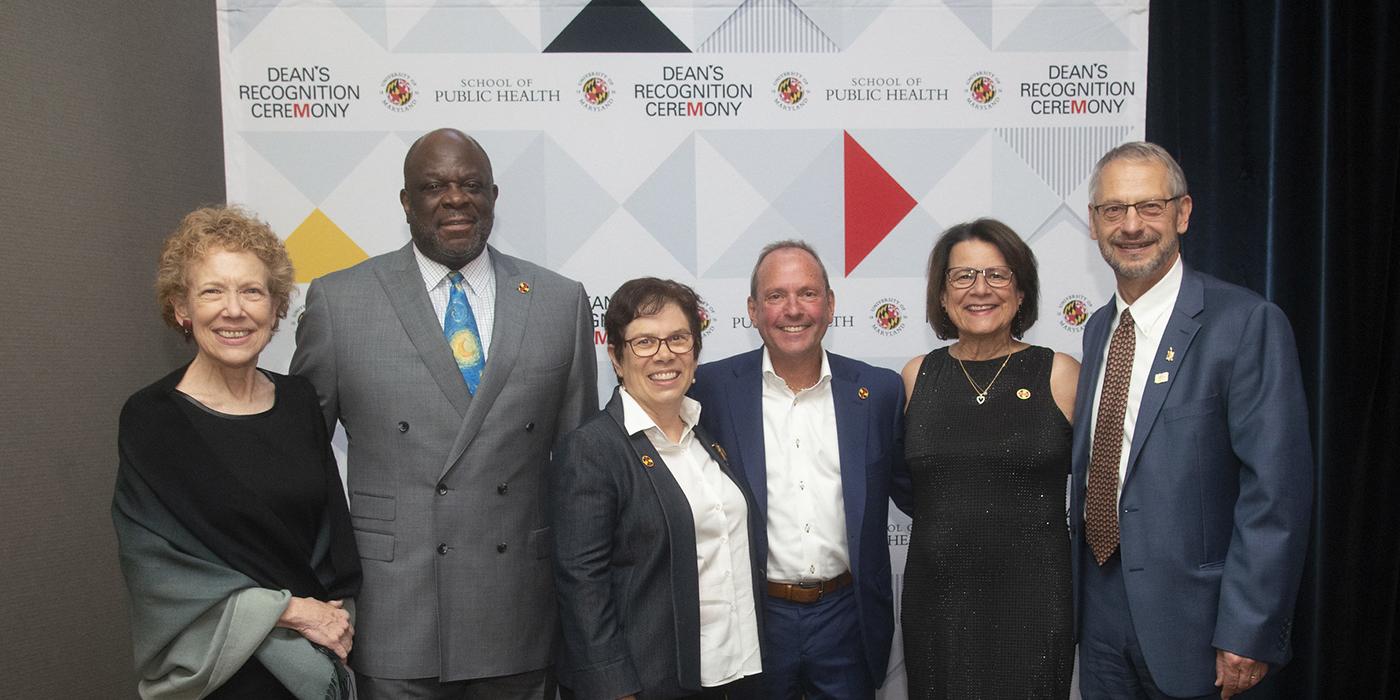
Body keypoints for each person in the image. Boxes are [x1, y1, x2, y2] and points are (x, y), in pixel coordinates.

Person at [290, 128, 598, 698]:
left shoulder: (559, 301)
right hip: (395, 608)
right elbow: (299, 462)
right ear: (406, 202)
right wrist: (312, 590)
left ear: (494, 196)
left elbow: (580, 472)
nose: (455, 198)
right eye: (433, 186)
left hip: (519, 609)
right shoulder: (341, 301)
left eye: (471, 185)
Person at [1072, 142, 1312, 699]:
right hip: (1100, 617)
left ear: (1183, 213)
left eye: (1149, 207)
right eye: (1114, 210)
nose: (1131, 226)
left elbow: (1275, 492)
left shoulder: (1246, 323)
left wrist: (1248, 632)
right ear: (1093, 224)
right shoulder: (1098, 329)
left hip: (1200, 628)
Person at [113, 206, 362, 699]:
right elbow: (155, 566)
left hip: (314, 663)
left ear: (275, 308)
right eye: (212, 291)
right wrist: (289, 611)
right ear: (181, 308)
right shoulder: (151, 419)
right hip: (219, 673)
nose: (234, 310)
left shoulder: (298, 402)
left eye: (252, 291)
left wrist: (334, 615)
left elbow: (331, 535)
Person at [690, 241, 908, 699]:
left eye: (808, 294)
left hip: (847, 617)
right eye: (775, 296)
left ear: (830, 305)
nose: (793, 310)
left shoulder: (878, 391)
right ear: (752, 309)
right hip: (754, 615)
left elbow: (918, 492)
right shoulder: (709, 390)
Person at [553, 278, 765, 699]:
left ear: (696, 352)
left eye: (678, 339)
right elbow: (582, 585)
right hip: (648, 683)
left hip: (733, 674)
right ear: (615, 356)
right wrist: (614, 687)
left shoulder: (707, 435)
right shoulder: (593, 448)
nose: (664, 354)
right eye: (644, 342)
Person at [898, 218, 1080, 699]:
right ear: (941, 295)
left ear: (1022, 292)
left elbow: (1101, 487)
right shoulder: (918, 376)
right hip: (936, 605)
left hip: (1034, 604)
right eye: (963, 276)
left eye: (998, 275)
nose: (980, 289)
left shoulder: (1060, 373)